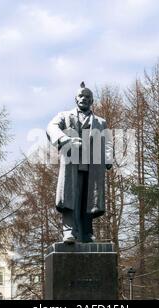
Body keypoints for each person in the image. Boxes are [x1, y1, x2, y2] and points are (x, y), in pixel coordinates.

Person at [46, 82, 113, 243]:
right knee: (70, 198)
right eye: (81, 96)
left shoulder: (100, 122)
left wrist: (108, 158)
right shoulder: (64, 116)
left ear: (91, 101)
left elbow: (107, 141)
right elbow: (51, 127)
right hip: (72, 163)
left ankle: (86, 233)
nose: (84, 98)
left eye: (87, 97)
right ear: (76, 99)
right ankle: (69, 232)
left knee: (90, 199)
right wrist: (65, 140)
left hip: (93, 165)